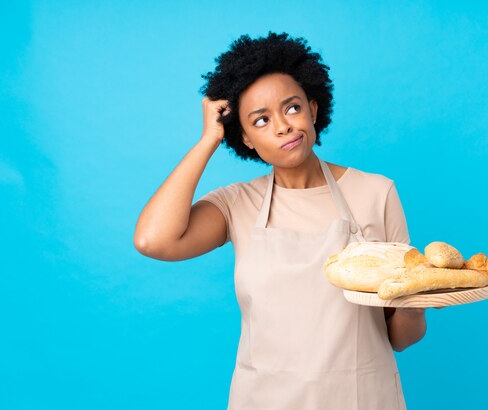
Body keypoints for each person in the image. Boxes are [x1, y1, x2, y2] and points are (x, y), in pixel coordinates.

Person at [134, 31, 427, 410]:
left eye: (292, 108)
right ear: (245, 139)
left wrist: (415, 302)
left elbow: (402, 337)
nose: (283, 126)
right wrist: (208, 138)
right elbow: (152, 240)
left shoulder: (376, 192)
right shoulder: (237, 203)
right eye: (260, 120)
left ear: (313, 110)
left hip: (361, 398)